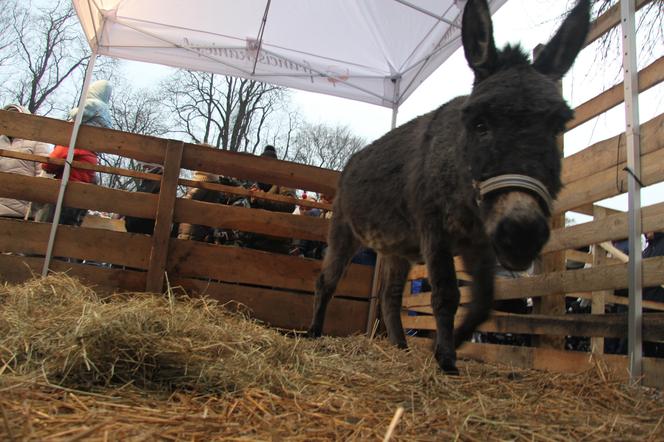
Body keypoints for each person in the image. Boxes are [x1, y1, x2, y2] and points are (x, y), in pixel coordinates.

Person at [37, 80, 113, 226]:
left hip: (64, 193)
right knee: (68, 229)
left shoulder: (74, 144)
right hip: (79, 196)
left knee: (46, 227)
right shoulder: (91, 152)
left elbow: (48, 164)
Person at [0, 104, 52, 220]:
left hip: (23, 214)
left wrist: (34, 208)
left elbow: (44, 174)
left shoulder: (36, 142)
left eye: (16, 117)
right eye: (8, 117)